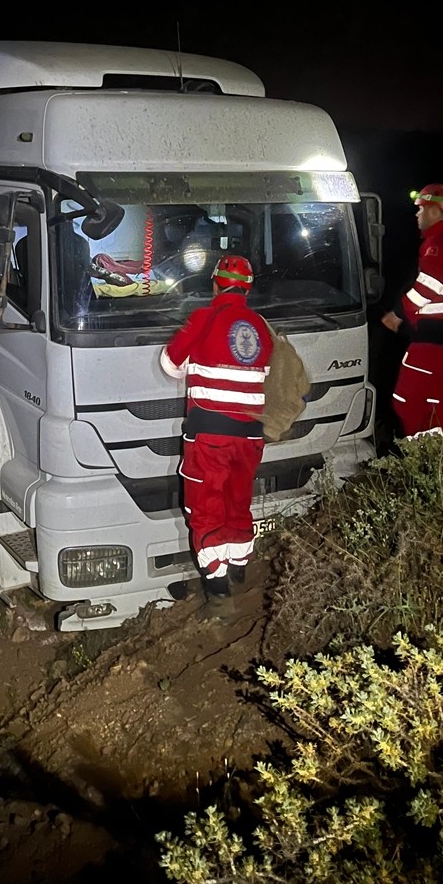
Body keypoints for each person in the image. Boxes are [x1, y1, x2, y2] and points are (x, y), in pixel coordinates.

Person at [160, 255, 274, 617]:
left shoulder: (203, 318)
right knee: (237, 502)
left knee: (205, 509)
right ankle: (239, 569)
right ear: (247, 288)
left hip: (210, 436)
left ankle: (219, 593)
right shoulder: (260, 326)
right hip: (251, 437)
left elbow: (169, 363)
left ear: (215, 284)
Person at [381, 183, 443, 438]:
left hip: (432, 344)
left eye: (422, 209)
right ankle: (441, 460)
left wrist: (398, 315)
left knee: (407, 400)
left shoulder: (437, 243)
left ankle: (419, 456)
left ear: (435, 211)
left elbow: (427, 287)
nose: (417, 215)